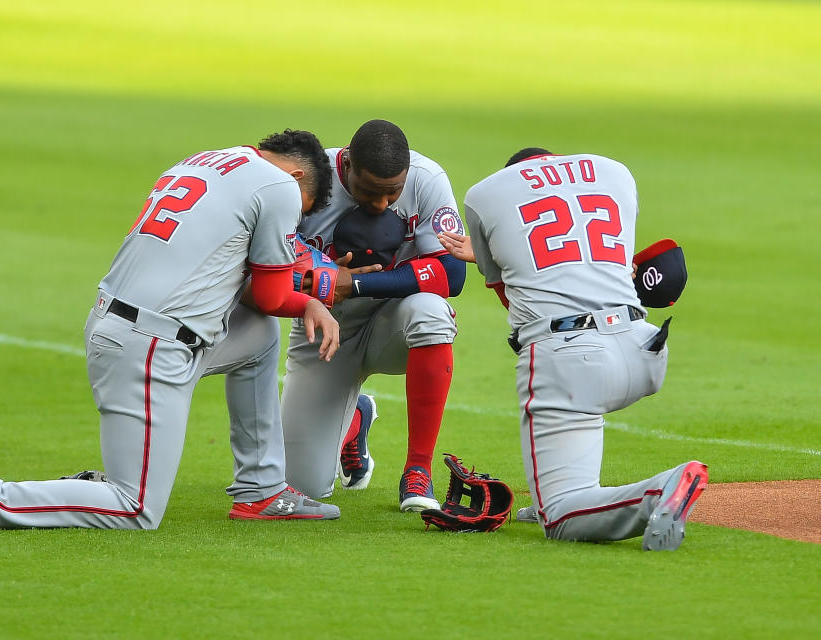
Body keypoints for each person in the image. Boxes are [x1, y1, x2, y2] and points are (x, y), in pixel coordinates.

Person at [0, 129, 345, 531]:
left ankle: (262, 491)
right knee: (136, 508)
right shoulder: (280, 187)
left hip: (123, 325)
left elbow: (243, 294)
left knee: (259, 338)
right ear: (298, 178)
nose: (294, 220)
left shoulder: (206, 161)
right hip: (151, 347)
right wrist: (313, 302)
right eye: (301, 211)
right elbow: (268, 295)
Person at [438, 147, 708, 550]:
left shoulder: (485, 195)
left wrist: (490, 257)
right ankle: (561, 486)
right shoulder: (615, 171)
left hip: (574, 358)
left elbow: (512, 299)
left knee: (560, 518)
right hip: (644, 346)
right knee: (579, 413)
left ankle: (655, 492)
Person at [281, 120, 467, 512]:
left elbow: (452, 273)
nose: (382, 204)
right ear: (346, 164)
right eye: (370, 191)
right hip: (325, 326)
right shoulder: (309, 176)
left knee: (431, 311)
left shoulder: (426, 178)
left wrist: (357, 285)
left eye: (392, 193)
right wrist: (328, 280)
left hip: (395, 320)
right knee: (305, 484)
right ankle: (353, 422)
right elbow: (270, 262)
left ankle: (418, 470)